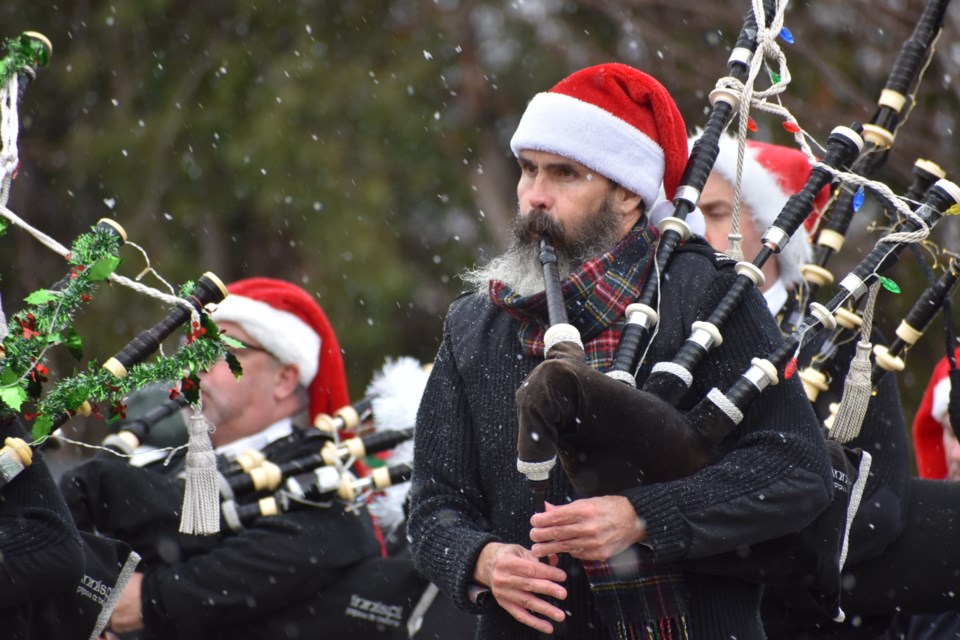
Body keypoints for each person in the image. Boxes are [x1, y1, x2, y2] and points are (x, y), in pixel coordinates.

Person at [407, 62, 834, 640]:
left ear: (629, 193)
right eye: (528, 170)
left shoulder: (707, 296)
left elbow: (795, 467)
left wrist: (641, 518)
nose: (535, 196)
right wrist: (483, 561)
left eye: (565, 175)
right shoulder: (476, 323)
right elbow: (435, 505)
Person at [60, 277, 383, 640]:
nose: (195, 365)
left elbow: (333, 537)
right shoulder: (159, 464)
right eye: (193, 346)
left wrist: (153, 598)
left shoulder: (319, 484)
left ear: (285, 379)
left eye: (222, 347)